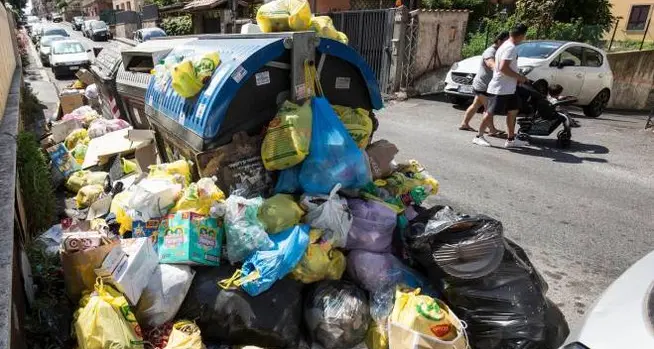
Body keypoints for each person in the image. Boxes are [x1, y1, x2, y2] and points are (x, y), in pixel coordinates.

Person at [473, 23, 529, 148]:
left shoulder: (505, 45)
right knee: (490, 112)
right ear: (521, 36)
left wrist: (516, 79)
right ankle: (478, 136)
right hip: (500, 88)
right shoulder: (510, 48)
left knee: (513, 111)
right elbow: (503, 68)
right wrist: (520, 77)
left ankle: (510, 139)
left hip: (509, 88)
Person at [459, 31, 510, 137]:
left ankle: (464, 124)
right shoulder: (490, 51)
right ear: (499, 41)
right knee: (489, 108)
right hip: (483, 85)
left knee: (476, 105)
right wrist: (499, 69)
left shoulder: (500, 51)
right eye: (506, 41)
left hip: (484, 84)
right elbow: (490, 63)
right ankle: (491, 130)